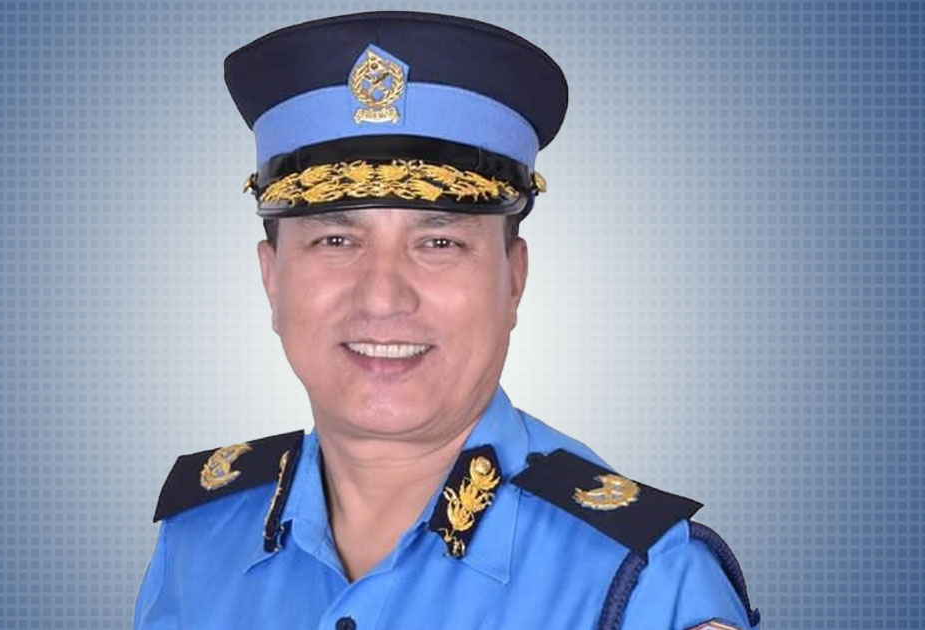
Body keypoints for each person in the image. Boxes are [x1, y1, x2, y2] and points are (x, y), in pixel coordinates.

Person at [134, 11, 761, 630]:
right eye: (335, 241)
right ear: (272, 280)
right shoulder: (199, 542)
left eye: (439, 243)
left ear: (513, 281)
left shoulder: (645, 582)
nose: (382, 298)